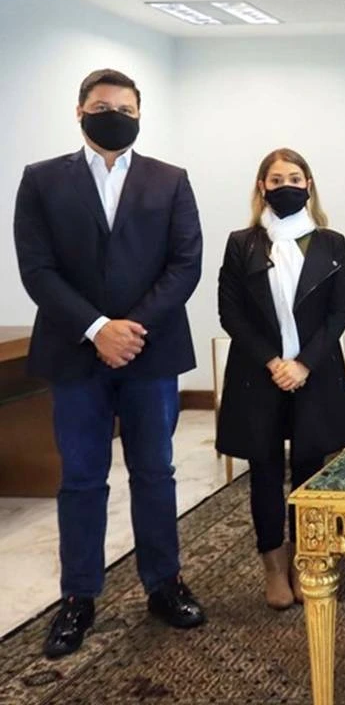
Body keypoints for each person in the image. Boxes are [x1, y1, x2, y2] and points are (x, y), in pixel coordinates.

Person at [13, 69, 206, 659]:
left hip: (151, 352)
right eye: (102, 106)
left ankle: (164, 583)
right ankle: (78, 597)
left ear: (140, 114)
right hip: (74, 353)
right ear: (80, 112)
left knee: (155, 472)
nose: (114, 115)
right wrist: (98, 329)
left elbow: (185, 263)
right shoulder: (42, 180)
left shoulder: (170, 180)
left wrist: (130, 330)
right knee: (80, 477)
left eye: (125, 108)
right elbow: (36, 268)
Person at [216, 149, 345, 609]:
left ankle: (303, 559)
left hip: (314, 372)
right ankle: (273, 566)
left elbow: (339, 313)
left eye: (294, 178)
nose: (286, 186)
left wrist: (303, 364)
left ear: (309, 185)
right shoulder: (242, 243)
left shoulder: (331, 243)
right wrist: (274, 362)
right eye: (276, 180)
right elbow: (231, 312)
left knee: (310, 469)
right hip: (259, 373)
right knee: (265, 468)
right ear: (262, 187)